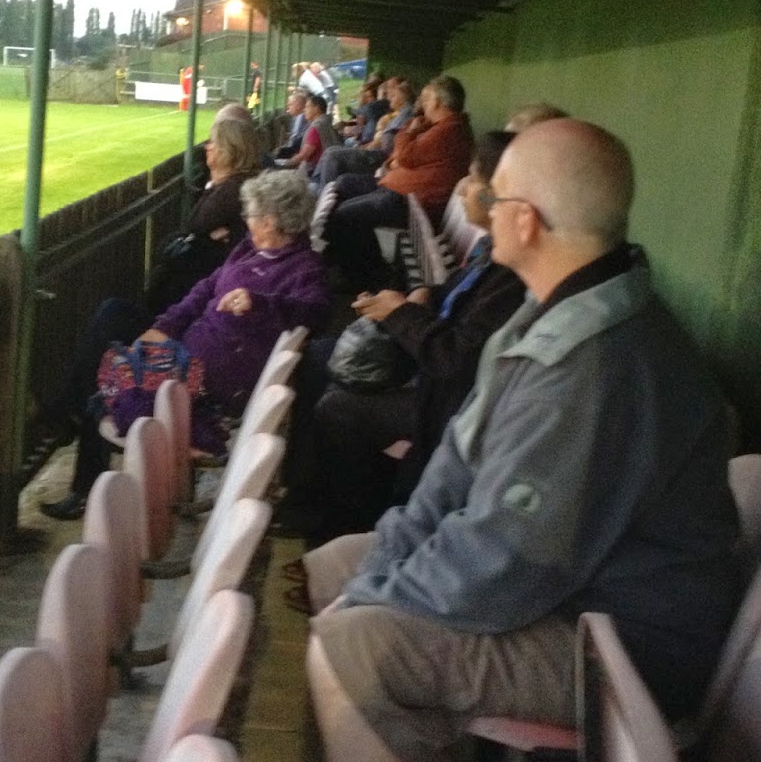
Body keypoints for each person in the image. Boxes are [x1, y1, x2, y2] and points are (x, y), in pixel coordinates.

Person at [303, 118, 739, 762]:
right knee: (331, 567)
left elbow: (504, 562)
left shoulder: (598, 363)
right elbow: (449, 479)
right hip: (565, 598)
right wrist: (372, 575)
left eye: (494, 198)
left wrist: (372, 603)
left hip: (622, 649)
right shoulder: (550, 311)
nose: (481, 209)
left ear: (526, 221)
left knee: (351, 644)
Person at [279, 130, 527, 544]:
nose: (462, 187)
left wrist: (401, 314)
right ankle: (303, 496)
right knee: (320, 354)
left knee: (340, 410)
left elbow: (454, 358)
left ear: (497, 197)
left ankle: (347, 532)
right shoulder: (493, 252)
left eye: (472, 177)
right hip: (435, 372)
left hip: (452, 402)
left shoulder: (512, 271)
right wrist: (420, 296)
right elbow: (456, 303)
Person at [43, 169, 328, 520]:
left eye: (251, 215)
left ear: (270, 221)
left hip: (212, 379)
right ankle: (71, 427)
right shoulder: (247, 249)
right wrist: (164, 327)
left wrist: (261, 302)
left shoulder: (303, 268)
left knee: (104, 382)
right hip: (188, 347)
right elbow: (204, 291)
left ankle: (79, 468)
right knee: (112, 315)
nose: (245, 221)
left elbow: (316, 312)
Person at [38, 116, 271, 443]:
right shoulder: (232, 194)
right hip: (190, 325)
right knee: (109, 337)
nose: (206, 148)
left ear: (229, 152)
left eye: (213, 143)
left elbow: (189, 233)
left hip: (190, 340)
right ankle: (69, 417)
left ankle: (66, 414)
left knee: (110, 325)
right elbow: (181, 240)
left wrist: (203, 223)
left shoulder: (230, 193)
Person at [322, 75, 473, 290]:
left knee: (347, 214)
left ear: (438, 102)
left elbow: (405, 155)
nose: (422, 105)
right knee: (345, 184)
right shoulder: (439, 127)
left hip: (411, 202)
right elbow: (403, 155)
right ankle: (345, 256)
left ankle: (365, 278)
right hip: (398, 192)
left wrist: (410, 131)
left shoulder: (449, 129)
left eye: (426, 99)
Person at [282, 90, 340, 173]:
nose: (304, 110)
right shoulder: (326, 122)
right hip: (328, 167)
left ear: (316, 109)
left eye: (307, 107)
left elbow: (304, 155)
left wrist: (284, 163)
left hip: (316, 171)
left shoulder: (315, 128)